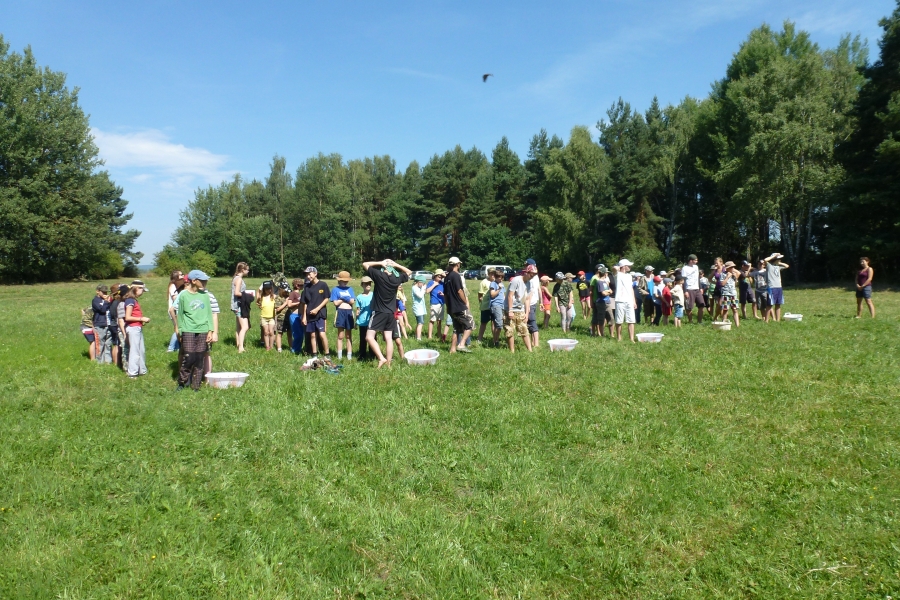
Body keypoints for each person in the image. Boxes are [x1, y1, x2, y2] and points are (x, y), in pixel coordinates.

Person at [362, 259, 411, 368]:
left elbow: (365, 264)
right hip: (391, 313)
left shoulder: (379, 276)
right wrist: (396, 264)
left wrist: (380, 262)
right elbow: (409, 272)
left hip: (379, 312)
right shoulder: (396, 279)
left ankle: (381, 358)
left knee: (369, 337)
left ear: (384, 268)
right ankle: (388, 363)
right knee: (389, 338)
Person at [174, 270, 214, 391]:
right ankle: (182, 382)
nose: (205, 282)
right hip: (188, 330)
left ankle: (196, 385)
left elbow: (209, 314)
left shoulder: (205, 296)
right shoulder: (184, 295)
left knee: (199, 358)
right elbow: (180, 314)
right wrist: (180, 330)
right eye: (203, 280)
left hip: (203, 330)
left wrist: (210, 330)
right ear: (194, 281)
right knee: (189, 357)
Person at [444, 256, 474, 353]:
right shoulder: (456, 275)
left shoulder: (447, 277)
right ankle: (461, 344)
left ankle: (452, 349)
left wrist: (448, 307)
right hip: (459, 306)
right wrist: (465, 302)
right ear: (457, 264)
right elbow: (459, 291)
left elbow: (445, 294)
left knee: (456, 328)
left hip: (451, 307)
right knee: (470, 325)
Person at [505, 264, 535, 352]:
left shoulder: (529, 283)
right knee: (510, 330)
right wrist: (510, 311)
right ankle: (512, 351)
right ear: (526, 272)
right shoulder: (516, 280)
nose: (533, 276)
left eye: (534, 274)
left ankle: (530, 350)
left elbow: (527, 299)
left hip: (520, 309)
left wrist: (527, 313)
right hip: (510, 308)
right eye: (532, 274)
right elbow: (510, 296)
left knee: (524, 329)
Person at [301, 266, 330, 356]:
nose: (308, 276)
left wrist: (317, 309)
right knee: (312, 335)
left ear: (315, 274)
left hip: (320, 313)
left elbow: (326, 298)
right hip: (310, 314)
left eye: (309, 274)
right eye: (306, 275)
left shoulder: (323, 285)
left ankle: (327, 354)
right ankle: (314, 354)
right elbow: (305, 303)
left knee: (322, 334)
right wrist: (304, 317)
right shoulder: (307, 287)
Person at [123, 281, 149, 378]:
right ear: (136, 288)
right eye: (142, 290)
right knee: (135, 351)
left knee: (141, 350)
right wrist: (141, 319)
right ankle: (132, 373)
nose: (142, 293)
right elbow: (128, 317)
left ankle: (142, 370)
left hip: (137, 327)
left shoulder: (133, 300)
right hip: (133, 328)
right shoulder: (130, 301)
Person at [331, 271, 356, 360]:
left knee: (348, 336)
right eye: (343, 281)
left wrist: (343, 299)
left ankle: (349, 355)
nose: (345, 282)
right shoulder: (335, 289)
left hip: (349, 312)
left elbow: (352, 301)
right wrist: (344, 299)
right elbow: (335, 303)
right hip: (340, 312)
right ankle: (339, 355)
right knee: (340, 336)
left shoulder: (350, 289)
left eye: (346, 281)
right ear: (339, 280)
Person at [198, 277, 220, 373]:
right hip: (191, 329)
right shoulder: (188, 295)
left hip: (207, 330)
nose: (203, 283)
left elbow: (214, 315)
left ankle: (207, 376)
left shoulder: (209, 296)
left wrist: (215, 333)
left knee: (206, 353)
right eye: (201, 281)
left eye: (205, 281)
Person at [613, 259, 637, 342]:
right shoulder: (617, 275)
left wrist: (634, 301)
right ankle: (619, 338)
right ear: (623, 266)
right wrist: (618, 267)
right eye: (628, 265)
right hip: (620, 300)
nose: (630, 267)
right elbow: (614, 269)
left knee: (631, 320)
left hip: (629, 300)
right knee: (619, 321)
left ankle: (631, 339)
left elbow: (631, 289)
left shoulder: (629, 276)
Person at [763, 253, 789, 321]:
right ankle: (766, 321)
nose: (780, 260)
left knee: (778, 304)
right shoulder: (769, 265)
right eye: (779, 259)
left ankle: (778, 320)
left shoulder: (778, 266)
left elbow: (787, 266)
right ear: (775, 259)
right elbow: (765, 260)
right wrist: (774, 256)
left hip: (779, 287)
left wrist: (779, 263)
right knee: (769, 305)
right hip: (771, 287)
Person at [91, 284, 113, 364]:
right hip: (100, 324)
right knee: (100, 344)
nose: (105, 294)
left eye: (106, 292)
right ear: (97, 291)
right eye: (103, 292)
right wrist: (106, 302)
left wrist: (109, 301)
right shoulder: (96, 300)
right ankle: (99, 362)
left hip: (108, 324)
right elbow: (102, 310)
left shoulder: (108, 300)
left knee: (108, 344)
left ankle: (108, 361)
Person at [231, 262, 250, 352]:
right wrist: (247, 296)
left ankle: (238, 344)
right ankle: (241, 348)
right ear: (243, 270)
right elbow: (237, 292)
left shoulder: (236, 278)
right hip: (239, 305)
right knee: (245, 327)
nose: (248, 271)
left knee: (239, 327)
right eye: (247, 270)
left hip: (236, 305)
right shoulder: (239, 279)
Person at [681, 254, 705, 324]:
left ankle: (699, 321)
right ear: (691, 260)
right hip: (689, 289)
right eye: (695, 260)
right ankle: (690, 321)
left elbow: (697, 278)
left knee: (701, 305)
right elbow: (683, 280)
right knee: (689, 307)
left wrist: (700, 287)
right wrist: (685, 291)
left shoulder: (696, 267)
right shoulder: (685, 268)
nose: (697, 261)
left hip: (697, 289)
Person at [591, 265, 613, 337]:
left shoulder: (605, 282)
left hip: (607, 301)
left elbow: (610, 290)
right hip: (601, 302)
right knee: (601, 319)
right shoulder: (599, 282)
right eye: (607, 273)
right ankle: (602, 335)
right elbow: (603, 293)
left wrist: (608, 292)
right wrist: (608, 292)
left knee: (611, 318)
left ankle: (612, 335)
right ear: (605, 273)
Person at [355, 276, 374, 359]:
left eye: (369, 283)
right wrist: (356, 321)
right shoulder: (359, 297)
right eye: (366, 283)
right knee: (363, 339)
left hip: (372, 321)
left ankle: (373, 354)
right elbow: (358, 310)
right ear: (362, 285)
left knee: (373, 338)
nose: (368, 285)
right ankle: (362, 355)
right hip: (362, 321)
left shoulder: (374, 295)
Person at [166, 270, 184, 352]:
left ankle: (177, 347)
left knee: (179, 328)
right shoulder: (173, 285)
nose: (183, 275)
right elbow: (175, 298)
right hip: (174, 311)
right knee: (177, 328)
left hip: (177, 310)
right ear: (176, 276)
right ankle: (171, 347)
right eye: (181, 274)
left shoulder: (177, 285)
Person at [719, 261, 741, 327]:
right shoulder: (722, 274)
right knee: (725, 310)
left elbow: (735, 283)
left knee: (735, 309)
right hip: (726, 294)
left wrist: (735, 277)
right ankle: (724, 325)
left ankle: (737, 326)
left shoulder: (734, 274)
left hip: (733, 294)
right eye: (731, 267)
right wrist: (727, 277)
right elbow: (722, 284)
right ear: (727, 268)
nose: (733, 268)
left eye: (733, 267)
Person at [257, 281, 277, 350]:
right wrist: (259, 304)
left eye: (269, 289)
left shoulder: (274, 296)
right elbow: (258, 302)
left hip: (272, 317)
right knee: (266, 332)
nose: (268, 290)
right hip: (264, 317)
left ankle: (271, 346)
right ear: (264, 289)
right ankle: (267, 346)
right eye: (266, 289)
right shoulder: (262, 297)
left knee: (271, 332)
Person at [287, 278, 305, 354]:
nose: (302, 286)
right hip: (294, 315)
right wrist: (298, 303)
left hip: (300, 315)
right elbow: (289, 304)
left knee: (301, 334)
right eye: (301, 285)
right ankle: (294, 350)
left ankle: (298, 349)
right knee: (297, 334)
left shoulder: (299, 294)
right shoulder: (293, 293)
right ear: (297, 285)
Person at [488, 269, 505, 346]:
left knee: (499, 324)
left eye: (502, 277)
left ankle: (495, 340)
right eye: (498, 277)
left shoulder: (502, 284)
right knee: (499, 324)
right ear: (495, 277)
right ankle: (496, 341)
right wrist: (499, 289)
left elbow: (503, 295)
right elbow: (492, 295)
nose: (500, 279)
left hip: (502, 305)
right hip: (496, 305)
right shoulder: (493, 284)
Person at [426, 269, 445, 340]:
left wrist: (443, 294)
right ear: (435, 276)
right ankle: (429, 336)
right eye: (439, 277)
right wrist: (434, 285)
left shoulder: (442, 283)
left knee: (439, 320)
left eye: (441, 277)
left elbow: (445, 292)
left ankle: (439, 334)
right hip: (434, 303)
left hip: (441, 303)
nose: (440, 278)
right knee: (432, 320)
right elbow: (427, 291)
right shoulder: (431, 282)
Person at [476, 270, 493, 343]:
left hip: (494, 305)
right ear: (488, 274)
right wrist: (481, 301)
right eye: (491, 274)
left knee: (494, 323)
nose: (493, 275)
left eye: (494, 274)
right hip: (485, 306)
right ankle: (479, 338)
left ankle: (495, 339)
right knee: (483, 322)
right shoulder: (483, 282)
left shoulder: (496, 281)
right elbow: (480, 294)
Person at [273, 283, 290, 352]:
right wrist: (286, 303)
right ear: (281, 290)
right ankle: (279, 348)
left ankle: (291, 347)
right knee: (280, 333)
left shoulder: (288, 297)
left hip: (288, 317)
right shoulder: (278, 297)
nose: (287, 292)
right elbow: (277, 309)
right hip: (281, 318)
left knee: (289, 333)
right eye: (285, 291)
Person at [411, 275, 427, 340]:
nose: (423, 285)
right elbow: (420, 296)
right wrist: (423, 289)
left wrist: (422, 289)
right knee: (420, 323)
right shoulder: (414, 288)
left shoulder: (419, 288)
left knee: (420, 323)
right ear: (419, 282)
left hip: (421, 308)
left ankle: (416, 335)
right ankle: (418, 338)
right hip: (418, 308)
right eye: (423, 283)